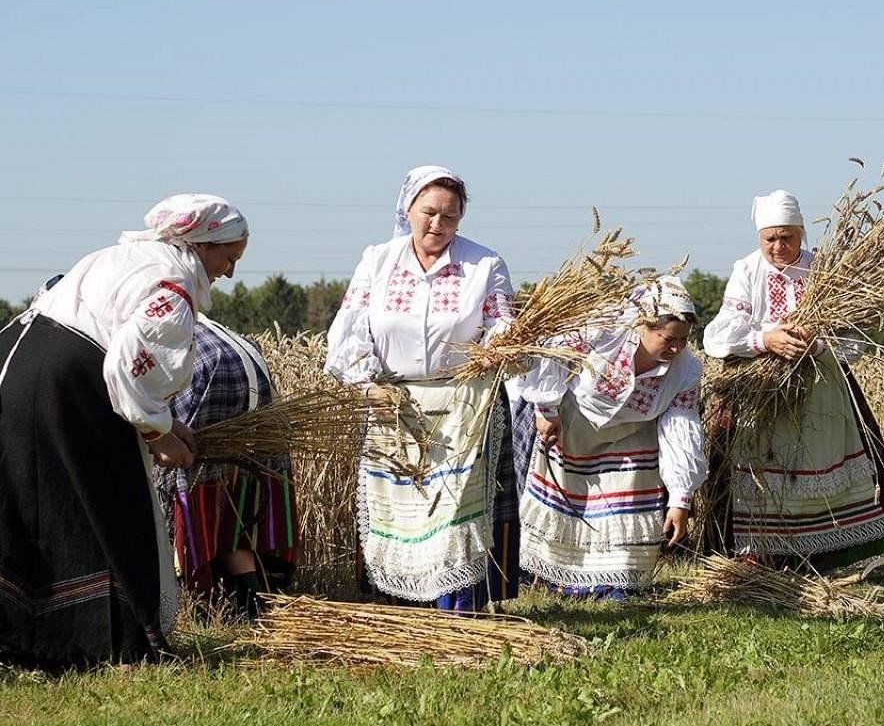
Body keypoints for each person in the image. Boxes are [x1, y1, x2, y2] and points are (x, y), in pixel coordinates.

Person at [0, 194, 249, 667]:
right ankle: (113, 643)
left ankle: (24, 637)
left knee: (33, 504)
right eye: (229, 258)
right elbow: (125, 366)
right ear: (203, 243)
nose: (230, 272)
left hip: (17, 370)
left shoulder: (124, 255)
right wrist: (158, 435)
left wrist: (165, 421)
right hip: (66, 386)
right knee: (109, 503)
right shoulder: (172, 287)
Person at [326, 165, 520, 612]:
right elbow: (350, 331)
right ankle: (406, 608)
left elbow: (502, 325)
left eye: (449, 217)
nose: (438, 225)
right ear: (408, 209)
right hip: (393, 403)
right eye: (429, 212)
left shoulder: (484, 264)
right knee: (404, 504)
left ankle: (459, 606)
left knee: (455, 508)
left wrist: (493, 351)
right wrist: (366, 383)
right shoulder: (378, 260)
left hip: (465, 403)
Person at [702, 190, 884, 571]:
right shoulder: (747, 270)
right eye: (771, 239)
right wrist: (765, 339)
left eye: (788, 238)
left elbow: (855, 337)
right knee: (764, 464)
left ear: (802, 233)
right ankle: (761, 556)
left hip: (822, 389)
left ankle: (831, 555)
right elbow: (718, 334)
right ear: (759, 238)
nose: (779, 247)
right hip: (761, 391)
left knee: (821, 458)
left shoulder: (825, 269)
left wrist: (816, 345)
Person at [512, 276, 706, 599]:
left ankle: (612, 582)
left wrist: (680, 497)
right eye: (668, 338)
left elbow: (681, 430)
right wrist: (546, 410)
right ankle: (557, 578)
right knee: (569, 503)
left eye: (683, 340)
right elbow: (550, 353)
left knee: (620, 507)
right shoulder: (600, 332)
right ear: (643, 326)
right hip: (572, 422)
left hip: (631, 437)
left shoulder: (685, 371)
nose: (676, 348)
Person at [155, 316, 298, 620]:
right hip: (246, 376)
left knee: (192, 490)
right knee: (231, 507)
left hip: (210, 381)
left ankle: (202, 605)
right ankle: (252, 606)